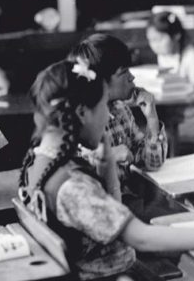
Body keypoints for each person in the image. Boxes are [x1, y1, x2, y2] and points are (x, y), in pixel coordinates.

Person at [18, 60, 194, 281]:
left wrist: (107, 170)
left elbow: (110, 224)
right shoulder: (73, 186)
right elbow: (141, 238)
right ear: (82, 113)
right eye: (104, 105)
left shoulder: (39, 158)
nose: (108, 116)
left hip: (115, 279)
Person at [69, 33, 167, 178]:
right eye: (124, 72)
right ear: (101, 83)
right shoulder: (80, 120)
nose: (132, 77)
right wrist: (107, 156)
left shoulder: (121, 108)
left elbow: (152, 164)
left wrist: (152, 119)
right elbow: (75, 175)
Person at [146, 12, 194, 137]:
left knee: (152, 134)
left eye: (159, 39)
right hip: (170, 113)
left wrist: (179, 98)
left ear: (176, 35)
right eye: (151, 40)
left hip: (190, 117)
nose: (154, 45)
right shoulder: (163, 55)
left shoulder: (192, 58)